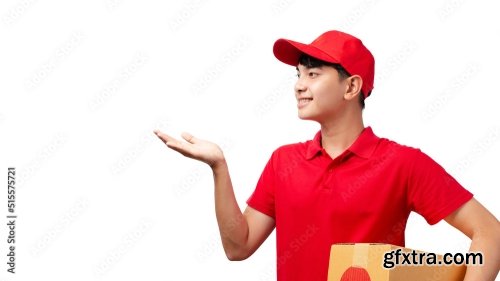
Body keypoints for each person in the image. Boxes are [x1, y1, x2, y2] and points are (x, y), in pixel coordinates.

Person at [154, 30, 500, 281]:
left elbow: (489, 233)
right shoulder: (283, 162)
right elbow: (238, 247)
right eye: (298, 74)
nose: (299, 85)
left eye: (314, 74)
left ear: (351, 87)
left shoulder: (402, 163)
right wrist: (219, 168)